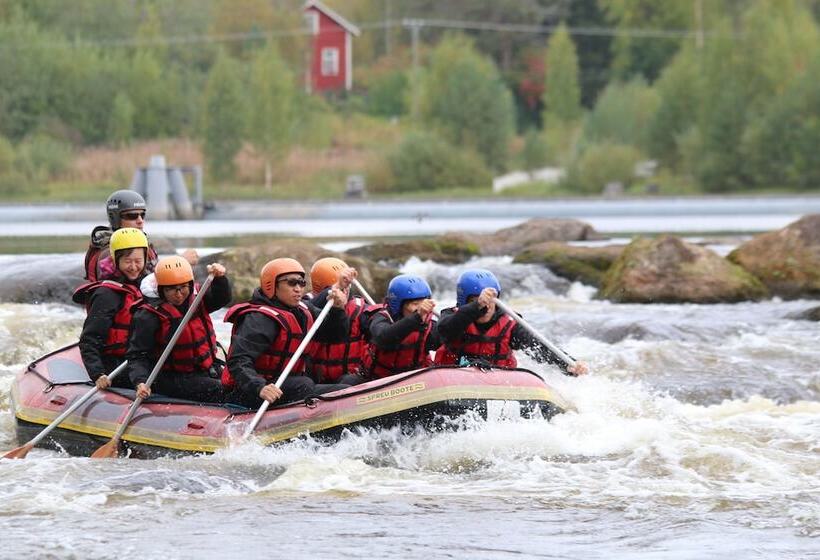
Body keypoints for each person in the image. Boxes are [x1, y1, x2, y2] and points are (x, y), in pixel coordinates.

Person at [222, 258, 352, 409]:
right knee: (303, 383)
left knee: (341, 388)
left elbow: (335, 336)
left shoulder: (303, 310)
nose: (298, 289)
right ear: (271, 285)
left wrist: (337, 310)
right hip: (253, 393)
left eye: (301, 283)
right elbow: (238, 361)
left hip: (286, 387)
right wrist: (260, 387)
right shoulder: (258, 319)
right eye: (291, 283)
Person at [435, 269, 588, 376]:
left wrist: (569, 365)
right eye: (477, 301)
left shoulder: (510, 324)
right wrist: (476, 307)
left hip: (497, 382)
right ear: (465, 302)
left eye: (490, 300)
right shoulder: (450, 317)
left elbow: (539, 347)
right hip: (454, 381)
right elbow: (444, 332)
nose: (486, 306)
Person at [126, 255, 231, 402]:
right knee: (224, 391)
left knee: (235, 383)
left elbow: (222, 298)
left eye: (183, 288)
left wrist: (220, 279)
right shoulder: (148, 315)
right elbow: (137, 355)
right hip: (172, 377)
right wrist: (140, 381)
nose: (179, 294)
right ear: (161, 289)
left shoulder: (198, 299)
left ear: (190, 284)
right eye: (171, 290)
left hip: (207, 369)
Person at [72, 227, 150, 390]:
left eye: (138, 261)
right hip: (115, 365)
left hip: (140, 361)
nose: (134, 267)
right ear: (116, 260)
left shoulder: (149, 287)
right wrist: (98, 374)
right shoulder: (106, 295)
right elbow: (89, 340)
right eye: (128, 261)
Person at [364, 273, 441, 379]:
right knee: (347, 380)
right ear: (398, 306)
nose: (422, 309)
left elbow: (450, 338)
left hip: (415, 383)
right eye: (415, 304)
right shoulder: (380, 319)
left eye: (424, 303)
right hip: (378, 382)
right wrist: (417, 317)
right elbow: (384, 338)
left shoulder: (428, 326)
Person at [308, 257, 369, 385]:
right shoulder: (304, 305)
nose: (344, 292)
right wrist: (334, 288)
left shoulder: (362, 309)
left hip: (350, 376)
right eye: (341, 287)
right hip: (316, 378)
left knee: (348, 381)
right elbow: (308, 309)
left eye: (346, 286)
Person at [84, 190, 158, 282]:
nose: (140, 221)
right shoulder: (109, 252)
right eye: (132, 216)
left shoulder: (141, 243)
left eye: (142, 215)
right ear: (115, 218)